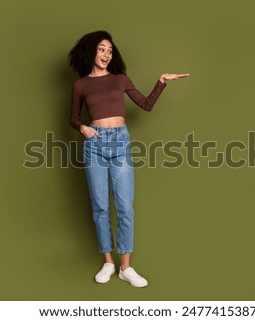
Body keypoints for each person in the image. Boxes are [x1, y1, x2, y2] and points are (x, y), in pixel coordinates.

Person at [68, 30, 189, 287]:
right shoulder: (80, 85)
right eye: (102, 49)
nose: (106, 54)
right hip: (95, 145)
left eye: (110, 51)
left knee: (125, 207)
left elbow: (145, 104)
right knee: (100, 206)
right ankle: (108, 262)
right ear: (91, 51)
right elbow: (73, 118)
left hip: (121, 142)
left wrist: (161, 81)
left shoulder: (120, 79)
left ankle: (126, 267)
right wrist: (83, 128)